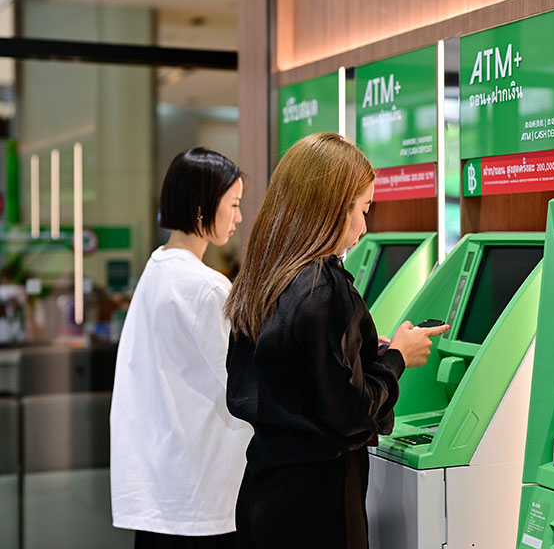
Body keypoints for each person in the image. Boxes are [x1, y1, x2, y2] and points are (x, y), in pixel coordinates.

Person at [224, 132, 447, 549]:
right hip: (318, 504)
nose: (365, 226)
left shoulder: (263, 276)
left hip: (263, 489)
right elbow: (350, 410)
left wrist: (362, 353)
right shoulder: (323, 286)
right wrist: (398, 357)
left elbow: (291, 368)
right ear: (334, 208)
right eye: (364, 209)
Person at [110, 147, 252, 549]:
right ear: (202, 208)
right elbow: (243, 384)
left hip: (162, 489)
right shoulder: (205, 287)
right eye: (234, 204)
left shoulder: (157, 267)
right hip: (200, 500)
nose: (239, 217)